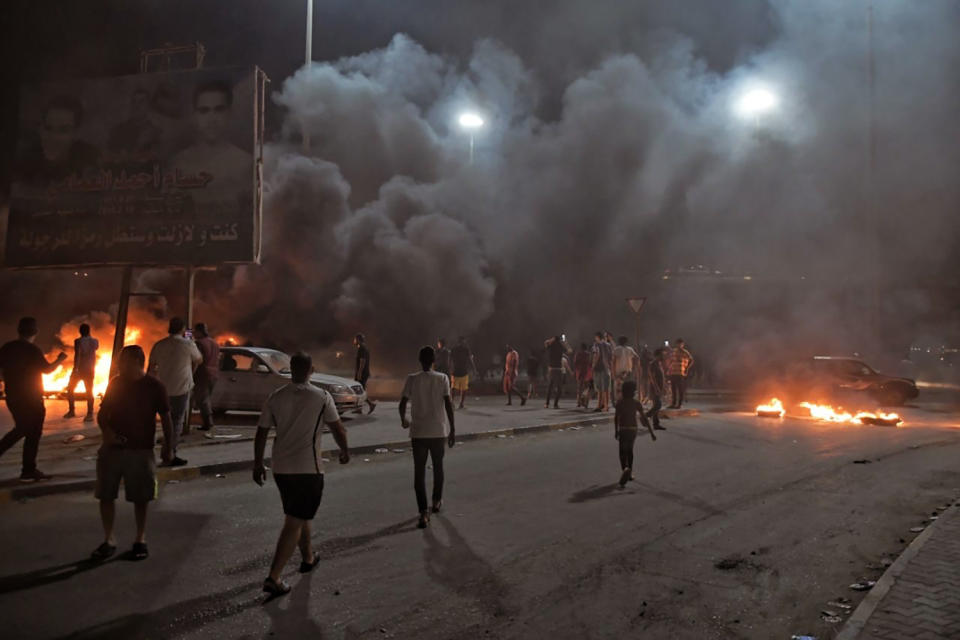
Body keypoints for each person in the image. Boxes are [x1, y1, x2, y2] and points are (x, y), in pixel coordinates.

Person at [254, 351, 350, 597]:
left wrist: (257, 463)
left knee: (298, 513)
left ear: (290, 369)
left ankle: (308, 557)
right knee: (295, 519)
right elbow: (338, 428)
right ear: (312, 370)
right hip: (308, 469)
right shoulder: (321, 397)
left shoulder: (276, 397)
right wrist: (345, 451)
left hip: (281, 469)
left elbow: (262, 431)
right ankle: (273, 577)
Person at [91, 345, 173, 562]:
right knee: (106, 494)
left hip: (141, 450)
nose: (119, 366)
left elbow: (166, 418)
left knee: (141, 497)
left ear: (138, 361)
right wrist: (107, 433)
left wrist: (169, 446)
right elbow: (103, 414)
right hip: (113, 450)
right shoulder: (116, 383)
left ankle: (140, 539)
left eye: (123, 362)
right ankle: (108, 539)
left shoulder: (155, 387)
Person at [0, 317, 67, 481]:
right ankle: (28, 470)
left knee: (24, 428)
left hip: (13, 397)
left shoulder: (7, 348)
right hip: (32, 398)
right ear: (35, 332)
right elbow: (47, 370)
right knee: (31, 431)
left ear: (19, 330)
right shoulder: (32, 350)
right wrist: (60, 359)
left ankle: (28, 470)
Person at [399, 346, 456, 529]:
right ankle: (437, 500)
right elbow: (448, 405)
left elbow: (402, 404)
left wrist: (404, 420)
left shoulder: (412, 379)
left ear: (419, 360)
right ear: (434, 361)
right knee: (438, 467)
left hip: (419, 433)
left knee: (419, 472)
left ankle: (423, 512)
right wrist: (453, 429)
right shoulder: (443, 378)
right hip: (438, 432)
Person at [170, 80, 253, 198]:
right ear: (194, 116)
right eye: (204, 111)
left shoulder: (246, 164)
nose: (211, 119)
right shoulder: (178, 164)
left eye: (219, 110)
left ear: (229, 114)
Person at [148, 317, 201, 466]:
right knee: (176, 422)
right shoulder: (188, 344)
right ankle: (169, 454)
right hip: (181, 388)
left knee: (165, 421)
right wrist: (191, 372)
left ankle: (165, 451)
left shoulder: (159, 345)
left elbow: (151, 368)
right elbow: (199, 360)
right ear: (183, 329)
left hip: (163, 388)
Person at [614, 380, 656, 487]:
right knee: (630, 451)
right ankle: (630, 472)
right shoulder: (636, 403)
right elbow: (645, 419)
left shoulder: (620, 402)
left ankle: (625, 469)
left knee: (622, 452)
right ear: (633, 391)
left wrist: (616, 431)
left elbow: (616, 418)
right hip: (633, 429)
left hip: (623, 429)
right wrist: (651, 433)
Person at [64, 323, 99, 422]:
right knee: (89, 391)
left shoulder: (78, 341)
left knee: (70, 389)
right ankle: (90, 414)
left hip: (80, 369)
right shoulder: (95, 341)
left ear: (80, 331)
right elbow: (95, 349)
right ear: (89, 331)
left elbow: (77, 354)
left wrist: (75, 369)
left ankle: (71, 411)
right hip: (90, 369)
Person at [192, 323, 219, 432]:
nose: (193, 334)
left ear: (199, 331)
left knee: (202, 399)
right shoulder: (214, 343)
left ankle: (208, 423)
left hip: (202, 374)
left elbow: (197, 360)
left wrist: (192, 373)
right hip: (214, 374)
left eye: (195, 332)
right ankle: (208, 422)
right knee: (206, 398)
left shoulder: (199, 343)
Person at [353, 334, 377, 414]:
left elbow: (362, 361)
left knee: (359, 390)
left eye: (355, 339)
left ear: (358, 340)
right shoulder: (364, 347)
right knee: (359, 390)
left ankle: (371, 404)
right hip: (364, 373)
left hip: (362, 373)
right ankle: (359, 409)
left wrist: (359, 373)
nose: (354, 341)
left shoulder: (362, 348)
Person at [668, 338, 694, 409]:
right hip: (673, 373)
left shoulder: (685, 352)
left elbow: (691, 360)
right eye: (678, 344)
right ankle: (673, 403)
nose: (679, 345)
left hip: (680, 373)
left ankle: (679, 404)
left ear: (683, 345)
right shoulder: (673, 351)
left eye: (681, 344)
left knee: (680, 389)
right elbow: (670, 361)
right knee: (673, 389)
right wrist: (669, 369)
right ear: (676, 344)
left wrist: (687, 369)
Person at [450, 336, 476, 410]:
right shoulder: (458, 349)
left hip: (461, 371)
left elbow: (470, 359)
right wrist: (474, 369)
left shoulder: (464, 349)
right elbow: (470, 360)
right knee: (456, 388)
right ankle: (454, 402)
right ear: (461, 342)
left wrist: (474, 369)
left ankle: (459, 403)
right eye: (463, 341)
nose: (464, 343)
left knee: (461, 388)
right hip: (458, 371)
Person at [543, 335, 569, 409]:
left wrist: (551, 339)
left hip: (551, 369)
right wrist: (564, 342)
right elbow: (569, 350)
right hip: (558, 369)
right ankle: (555, 404)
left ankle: (547, 404)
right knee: (559, 388)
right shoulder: (561, 347)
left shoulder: (551, 346)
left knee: (550, 387)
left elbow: (545, 343)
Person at [612, 336, 639, 403]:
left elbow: (613, 362)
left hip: (619, 372)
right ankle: (627, 402)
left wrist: (613, 373)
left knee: (619, 388)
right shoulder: (630, 349)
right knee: (628, 388)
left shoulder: (616, 349)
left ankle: (620, 402)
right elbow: (637, 358)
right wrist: (634, 367)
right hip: (628, 372)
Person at [591, 332, 613, 412]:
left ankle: (600, 405)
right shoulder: (608, 345)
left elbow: (596, 355)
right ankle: (605, 406)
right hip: (606, 369)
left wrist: (593, 365)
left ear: (597, 337)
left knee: (599, 388)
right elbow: (611, 357)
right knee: (606, 388)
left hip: (598, 368)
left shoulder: (596, 345)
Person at [647, 348, 667, 430]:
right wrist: (656, 388)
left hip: (659, 388)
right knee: (658, 405)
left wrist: (664, 387)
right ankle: (645, 416)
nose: (664, 356)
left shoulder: (659, 364)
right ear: (658, 355)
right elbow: (652, 377)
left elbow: (662, 377)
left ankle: (656, 424)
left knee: (656, 405)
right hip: (655, 388)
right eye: (663, 354)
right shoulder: (653, 364)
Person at [573, 343, 594, 409]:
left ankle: (579, 402)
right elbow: (591, 363)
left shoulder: (578, 354)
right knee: (586, 388)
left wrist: (575, 371)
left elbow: (575, 363)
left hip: (579, 373)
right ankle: (586, 403)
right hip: (587, 373)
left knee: (579, 388)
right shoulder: (589, 354)